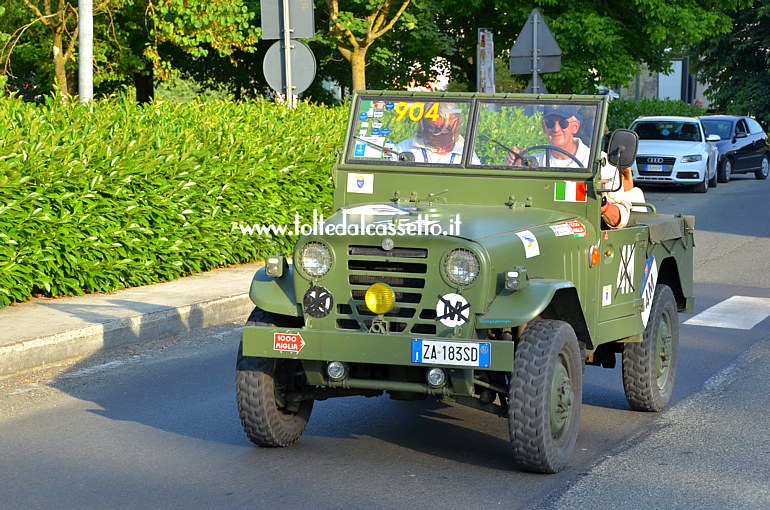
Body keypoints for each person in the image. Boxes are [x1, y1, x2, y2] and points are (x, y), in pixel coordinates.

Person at [394, 103, 480, 164]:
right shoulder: (403, 149)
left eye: (444, 130)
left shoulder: (466, 153)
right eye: (432, 128)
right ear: (423, 123)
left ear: (456, 124)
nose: (437, 135)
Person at [507, 105, 590, 168]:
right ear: (544, 127)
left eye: (563, 123)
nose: (556, 129)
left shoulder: (595, 162)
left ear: (575, 127)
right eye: (550, 123)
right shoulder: (534, 164)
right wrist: (514, 166)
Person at [600, 162, 645, 229]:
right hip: (603, 201)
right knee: (637, 193)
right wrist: (627, 168)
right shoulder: (606, 161)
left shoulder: (606, 160)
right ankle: (641, 227)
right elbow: (628, 186)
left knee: (636, 191)